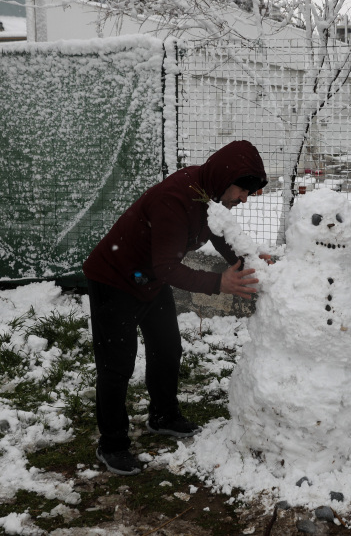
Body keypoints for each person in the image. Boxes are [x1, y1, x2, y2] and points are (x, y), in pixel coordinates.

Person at [83, 140, 268, 475]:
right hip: (115, 278)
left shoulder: (207, 193)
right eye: (243, 189)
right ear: (225, 176)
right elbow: (167, 266)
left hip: (147, 278)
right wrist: (218, 284)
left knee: (167, 348)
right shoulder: (175, 199)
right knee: (116, 365)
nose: (244, 198)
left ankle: (163, 415)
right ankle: (112, 444)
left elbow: (217, 232)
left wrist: (247, 260)